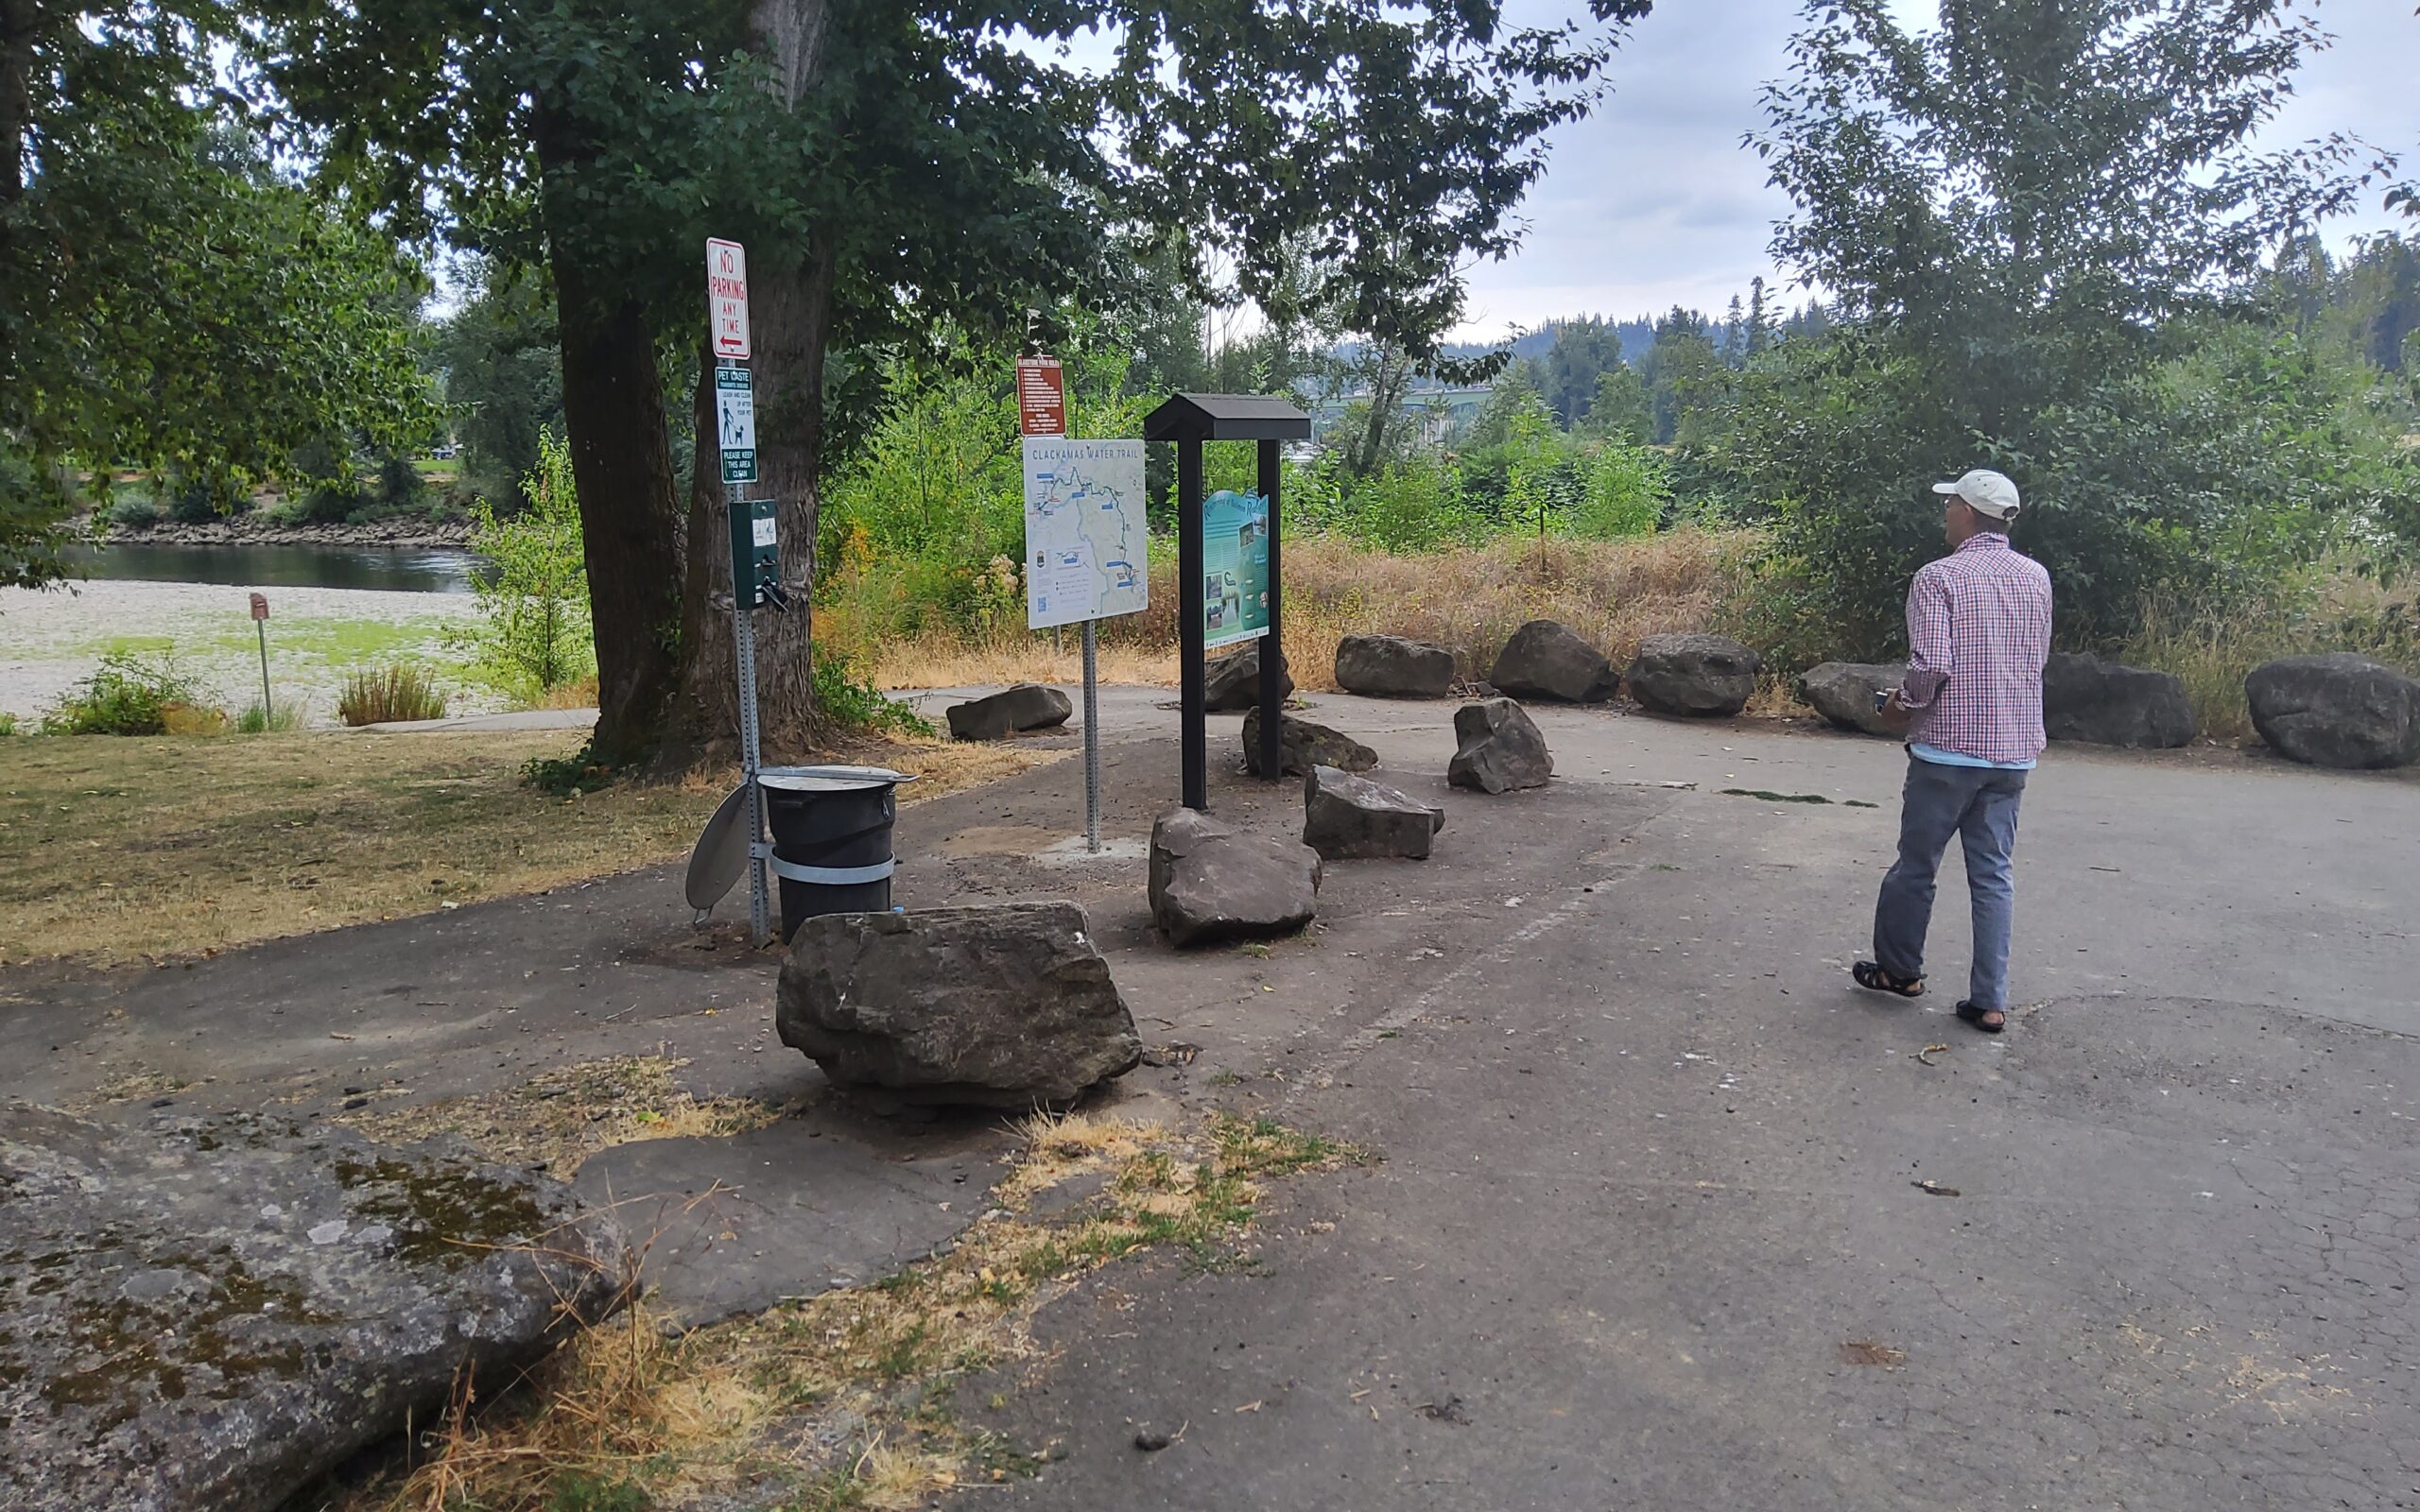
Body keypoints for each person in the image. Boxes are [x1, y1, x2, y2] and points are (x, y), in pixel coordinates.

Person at [1852, 468, 2052, 1034]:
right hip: (2012, 752)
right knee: (1993, 874)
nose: (1945, 514)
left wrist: (1900, 706)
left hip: (1947, 752)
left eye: (1950, 506)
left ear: (1967, 513)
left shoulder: (1939, 578)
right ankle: (1990, 1000)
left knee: (1916, 866)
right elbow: (2035, 661)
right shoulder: (2035, 578)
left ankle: (1900, 971)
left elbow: (1933, 663)